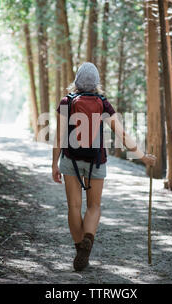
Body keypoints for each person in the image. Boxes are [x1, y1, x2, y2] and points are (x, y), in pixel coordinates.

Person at [52, 62, 156, 271]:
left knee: (73, 206)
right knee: (94, 206)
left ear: (77, 81)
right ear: (97, 83)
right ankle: (87, 244)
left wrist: (54, 163)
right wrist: (142, 157)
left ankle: (80, 249)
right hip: (96, 160)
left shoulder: (67, 101)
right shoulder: (103, 103)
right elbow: (122, 134)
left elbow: (59, 136)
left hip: (70, 159)